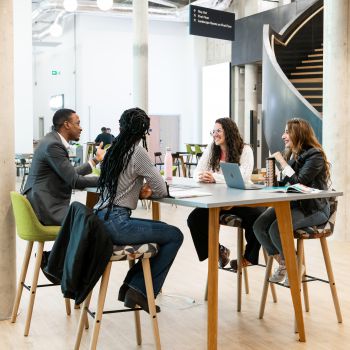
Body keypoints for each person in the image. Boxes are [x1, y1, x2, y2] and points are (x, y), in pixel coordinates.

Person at [95, 107, 184, 313]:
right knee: (174, 235)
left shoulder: (113, 150)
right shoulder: (137, 151)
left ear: (121, 126)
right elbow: (161, 189)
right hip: (118, 223)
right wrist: (145, 191)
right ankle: (139, 289)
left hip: (100, 219)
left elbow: (117, 184)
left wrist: (136, 191)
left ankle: (133, 287)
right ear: (144, 131)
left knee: (162, 230)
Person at [253, 118, 331, 285]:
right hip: (294, 204)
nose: (283, 136)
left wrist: (281, 162)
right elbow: (287, 183)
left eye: (287, 132)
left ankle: (293, 264)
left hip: (314, 209)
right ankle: (286, 262)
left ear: (299, 134)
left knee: (277, 228)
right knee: (258, 226)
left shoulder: (314, 155)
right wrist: (270, 179)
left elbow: (299, 181)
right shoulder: (296, 155)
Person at [187, 118, 265, 270]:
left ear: (228, 132)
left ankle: (249, 257)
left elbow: (243, 177)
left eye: (218, 131)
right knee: (194, 219)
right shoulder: (212, 149)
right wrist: (200, 176)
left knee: (257, 215)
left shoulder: (245, 150)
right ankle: (218, 251)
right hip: (217, 201)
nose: (214, 135)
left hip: (239, 201)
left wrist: (214, 177)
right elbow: (196, 171)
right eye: (213, 131)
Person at [23, 108, 105, 226]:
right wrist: (107, 179)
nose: (81, 128)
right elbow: (75, 181)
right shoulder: (53, 145)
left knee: (92, 218)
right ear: (66, 124)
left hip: (44, 203)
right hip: (46, 208)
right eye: (78, 123)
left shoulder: (51, 140)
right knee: (96, 221)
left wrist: (95, 160)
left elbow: (69, 173)